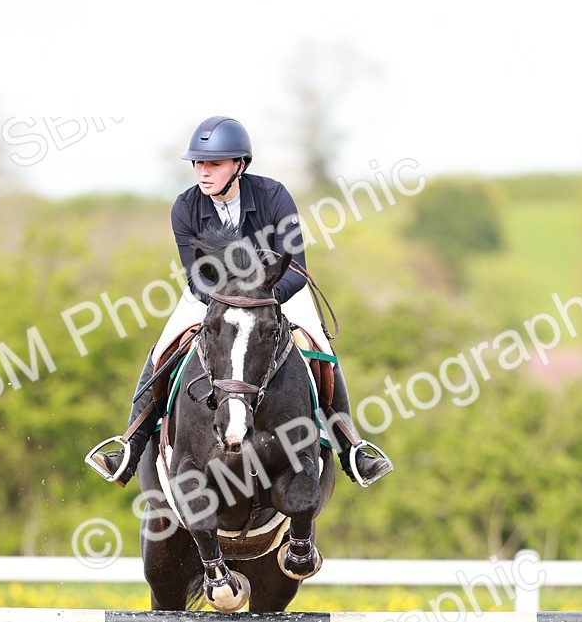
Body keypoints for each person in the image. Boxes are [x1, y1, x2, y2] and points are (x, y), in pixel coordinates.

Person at [89, 115, 393, 488]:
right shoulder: (184, 207)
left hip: (277, 291)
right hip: (212, 296)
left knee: (322, 350)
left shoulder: (273, 196)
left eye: (214, 164)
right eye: (198, 163)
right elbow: (196, 277)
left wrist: (262, 300)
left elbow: (297, 268)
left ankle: (351, 448)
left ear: (240, 165)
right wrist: (228, 302)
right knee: (162, 350)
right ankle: (130, 446)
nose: (203, 172)